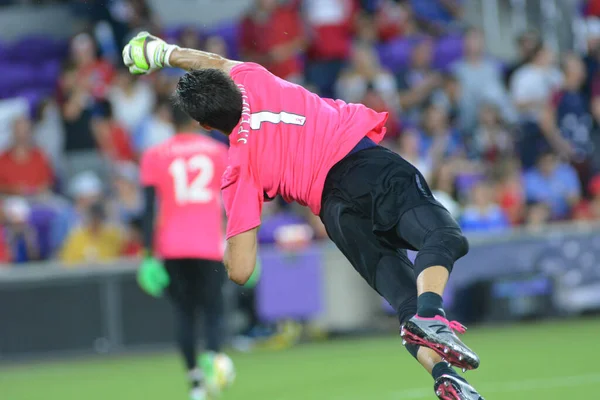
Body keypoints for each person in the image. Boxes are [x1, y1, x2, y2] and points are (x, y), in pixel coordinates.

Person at [123, 32, 483, 400]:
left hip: (335, 212)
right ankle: (432, 314)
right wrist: (161, 52)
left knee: (403, 299)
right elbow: (212, 63)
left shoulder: (238, 169)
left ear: (208, 127)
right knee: (443, 237)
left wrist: (231, 248)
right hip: (365, 167)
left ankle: (444, 375)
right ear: (228, 82)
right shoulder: (253, 79)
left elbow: (241, 269)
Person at [137, 105, 236, 400]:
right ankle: (214, 363)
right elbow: (232, 200)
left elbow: (148, 209)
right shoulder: (217, 152)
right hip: (208, 245)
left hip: (172, 246)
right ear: (196, 120)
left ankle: (194, 381)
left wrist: (146, 254)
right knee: (214, 312)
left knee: (184, 314)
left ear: (169, 120)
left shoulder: (154, 155)